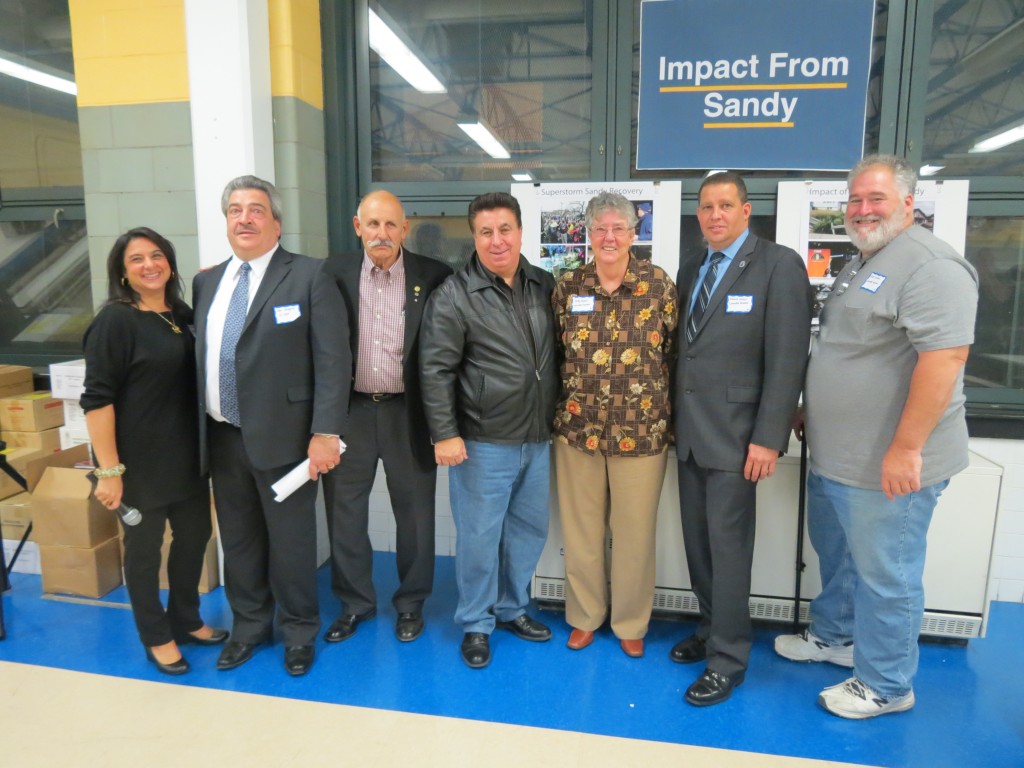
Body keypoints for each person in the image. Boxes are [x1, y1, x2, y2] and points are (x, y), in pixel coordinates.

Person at [774, 155, 979, 719]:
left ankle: (887, 685)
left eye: (876, 199)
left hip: (889, 465)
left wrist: (907, 447)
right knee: (839, 559)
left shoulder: (932, 266)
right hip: (838, 457)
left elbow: (945, 359)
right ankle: (836, 639)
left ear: (909, 203)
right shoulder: (866, 260)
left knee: (886, 575)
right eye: (856, 200)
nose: (862, 210)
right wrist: (813, 408)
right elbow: (854, 351)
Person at [193, 175, 351, 676]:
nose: (245, 218)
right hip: (222, 437)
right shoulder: (207, 282)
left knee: (291, 544)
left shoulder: (309, 275)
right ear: (226, 222)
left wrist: (326, 432)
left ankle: (300, 630)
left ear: (276, 223)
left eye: (256, 209)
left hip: (287, 441)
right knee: (238, 543)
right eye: (235, 210)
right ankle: (249, 628)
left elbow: (333, 359)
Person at [671, 171, 812, 706]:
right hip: (688, 435)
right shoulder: (692, 267)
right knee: (699, 546)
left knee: (729, 552)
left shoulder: (778, 266)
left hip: (737, 440)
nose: (715, 215)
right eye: (706, 207)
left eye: (725, 205)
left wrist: (767, 438)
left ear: (746, 211)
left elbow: (787, 358)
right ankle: (710, 629)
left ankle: (728, 659)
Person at [420, 191, 559, 669]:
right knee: (479, 537)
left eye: (505, 230)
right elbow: (434, 370)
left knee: (527, 532)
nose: (497, 241)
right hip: (482, 441)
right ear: (474, 238)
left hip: (538, 438)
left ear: (521, 232)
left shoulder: (543, 285)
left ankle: (512, 608)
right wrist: (445, 432)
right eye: (485, 232)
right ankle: (476, 623)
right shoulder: (455, 295)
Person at [82, 227, 226, 676]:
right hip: (138, 463)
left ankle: (185, 619)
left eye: (157, 255)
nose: (150, 265)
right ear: (122, 273)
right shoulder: (116, 321)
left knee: (194, 538)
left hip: (187, 457)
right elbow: (97, 400)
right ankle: (155, 635)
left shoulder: (180, 313)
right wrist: (109, 471)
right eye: (137, 260)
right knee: (144, 552)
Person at [320, 191, 451, 644]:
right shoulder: (332, 274)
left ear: (405, 229)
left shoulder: (434, 276)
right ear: (358, 227)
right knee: (345, 514)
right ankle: (355, 602)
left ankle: (411, 604)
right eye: (373, 224)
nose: (382, 234)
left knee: (415, 517)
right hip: (350, 412)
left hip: (408, 413)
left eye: (391, 225)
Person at [552, 191, 677, 658]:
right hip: (578, 431)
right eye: (600, 228)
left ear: (633, 234)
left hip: (642, 432)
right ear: (588, 234)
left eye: (618, 228)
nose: (608, 237)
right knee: (581, 531)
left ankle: (630, 622)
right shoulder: (568, 286)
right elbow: (557, 352)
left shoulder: (659, 285)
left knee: (634, 534)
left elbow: (675, 356)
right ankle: (584, 617)